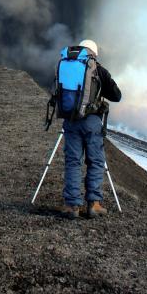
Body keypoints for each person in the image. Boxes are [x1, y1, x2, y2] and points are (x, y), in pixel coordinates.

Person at [51, 38, 121, 219]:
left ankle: (72, 206)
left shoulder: (64, 65)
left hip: (70, 120)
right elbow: (116, 96)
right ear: (94, 53)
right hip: (91, 122)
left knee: (73, 162)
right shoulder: (98, 69)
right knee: (95, 162)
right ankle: (93, 205)